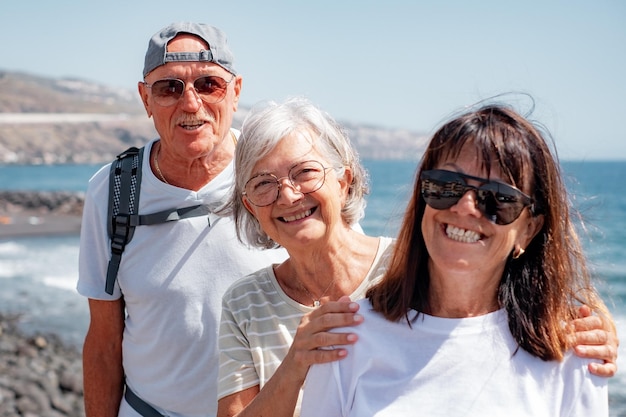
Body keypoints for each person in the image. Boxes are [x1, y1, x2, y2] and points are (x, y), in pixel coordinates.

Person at [216, 98, 618, 417]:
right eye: (264, 184)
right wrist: (295, 365)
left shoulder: (413, 260)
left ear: (345, 181)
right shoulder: (280, 317)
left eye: (304, 173)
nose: (287, 195)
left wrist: (579, 322)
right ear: (250, 205)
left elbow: (482, 290)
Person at [77, 22, 286, 417]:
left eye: (209, 85)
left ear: (236, 92)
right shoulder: (112, 190)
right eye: (169, 88)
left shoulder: (277, 173)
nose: (191, 104)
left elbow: (342, 288)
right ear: (145, 99)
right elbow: (104, 341)